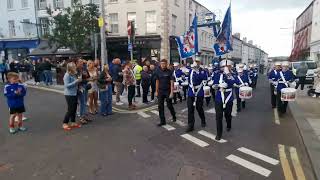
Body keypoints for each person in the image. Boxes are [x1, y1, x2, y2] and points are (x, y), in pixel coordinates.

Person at [213, 60, 236, 141]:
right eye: (223, 66)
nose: (225, 68)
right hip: (219, 97)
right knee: (218, 116)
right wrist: (216, 86)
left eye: (227, 66)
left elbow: (233, 82)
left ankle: (229, 124)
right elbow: (214, 83)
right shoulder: (217, 73)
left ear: (230, 67)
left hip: (228, 97)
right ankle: (219, 133)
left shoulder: (233, 74)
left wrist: (228, 74)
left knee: (227, 114)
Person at [186, 58, 207, 132]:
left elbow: (205, 80)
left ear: (200, 62)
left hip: (199, 92)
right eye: (196, 62)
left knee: (199, 108)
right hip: (191, 92)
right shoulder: (191, 71)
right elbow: (189, 80)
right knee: (190, 109)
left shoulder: (203, 71)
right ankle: (190, 125)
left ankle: (203, 120)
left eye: (198, 62)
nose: (197, 63)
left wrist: (198, 73)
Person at [155, 59, 176, 126]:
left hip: (168, 91)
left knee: (169, 105)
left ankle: (173, 116)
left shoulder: (169, 72)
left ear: (166, 64)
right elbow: (157, 81)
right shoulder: (157, 71)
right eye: (162, 63)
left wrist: (172, 92)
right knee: (160, 107)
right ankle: (162, 121)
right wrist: (156, 91)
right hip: (160, 91)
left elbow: (172, 82)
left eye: (164, 63)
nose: (163, 65)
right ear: (160, 64)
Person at [63, 62, 82, 131]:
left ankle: (73, 122)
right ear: (70, 68)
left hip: (74, 93)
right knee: (70, 109)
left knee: (74, 108)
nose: (75, 67)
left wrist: (79, 82)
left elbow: (76, 82)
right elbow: (67, 86)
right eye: (74, 66)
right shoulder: (67, 75)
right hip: (69, 94)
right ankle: (65, 123)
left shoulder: (74, 74)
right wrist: (76, 81)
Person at [76, 59, 92, 124]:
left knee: (85, 102)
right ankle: (81, 117)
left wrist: (90, 79)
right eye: (80, 63)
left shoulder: (84, 69)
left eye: (82, 63)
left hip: (85, 86)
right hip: (80, 87)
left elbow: (88, 77)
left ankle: (84, 116)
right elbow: (76, 80)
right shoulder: (76, 70)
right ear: (77, 63)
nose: (82, 64)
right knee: (82, 102)